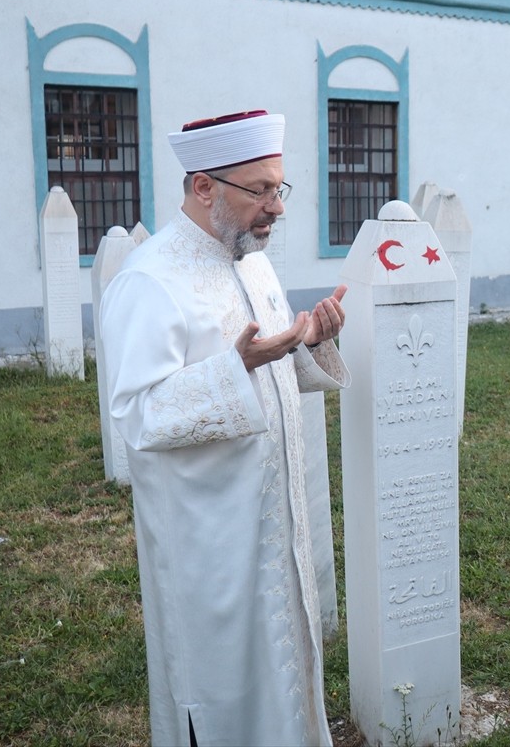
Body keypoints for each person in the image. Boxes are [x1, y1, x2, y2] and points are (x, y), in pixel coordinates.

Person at [100, 110, 350, 746]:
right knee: (224, 702)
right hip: (209, 547)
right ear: (203, 186)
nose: (277, 208)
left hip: (276, 527)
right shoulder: (149, 281)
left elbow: (267, 370)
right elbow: (137, 414)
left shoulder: (252, 262)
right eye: (259, 191)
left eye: (279, 188)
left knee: (288, 683)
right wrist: (235, 367)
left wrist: (305, 342)